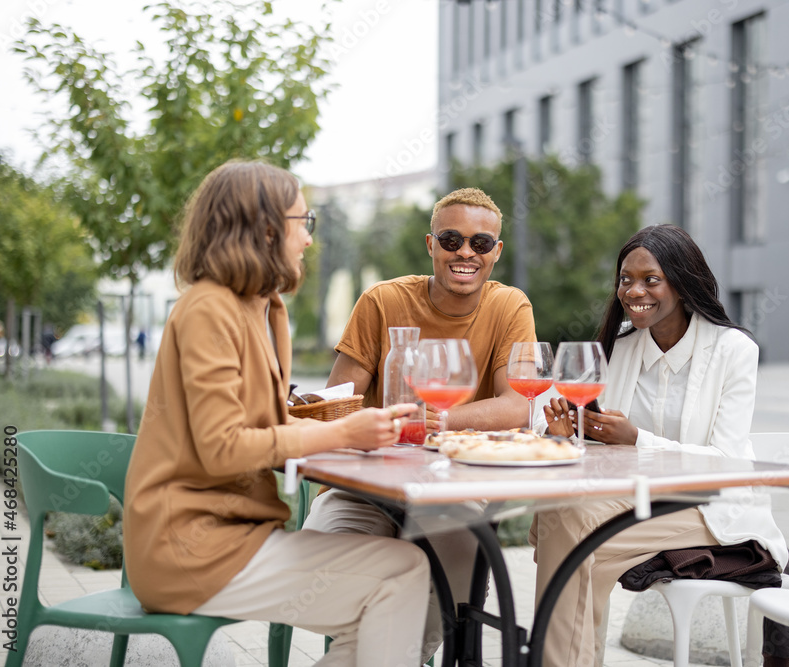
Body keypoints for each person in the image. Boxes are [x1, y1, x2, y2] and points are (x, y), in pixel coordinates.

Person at [123, 160, 430, 666]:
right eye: (302, 223)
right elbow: (223, 447)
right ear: (266, 229)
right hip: (190, 550)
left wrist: (350, 433)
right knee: (403, 574)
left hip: (233, 537)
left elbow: (264, 424)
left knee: (396, 586)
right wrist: (341, 433)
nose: (309, 239)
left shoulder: (262, 307)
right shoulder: (208, 309)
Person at [532, 224, 789, 667]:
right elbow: (607, 452)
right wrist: (568, 438)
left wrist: (637, 439)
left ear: (682, 280)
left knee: (571, 536)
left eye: (650, 279)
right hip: (633, 501)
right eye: (625, 279)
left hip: (710, 507)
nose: (634, 291)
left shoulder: (734, 351)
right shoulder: (620, 349)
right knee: (563, 518)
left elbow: (729, 462)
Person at [302, 186, 536, 661]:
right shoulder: (382, 302)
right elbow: (338, 402)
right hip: (365, 484)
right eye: (451, 240)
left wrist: (438, 421)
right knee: (322, 574)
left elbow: (518, 406)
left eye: (480, 243)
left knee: (447, 602)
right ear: (431, 245)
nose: (465, 252)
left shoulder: (510, 306)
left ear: (496, 253)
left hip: (455, 490)